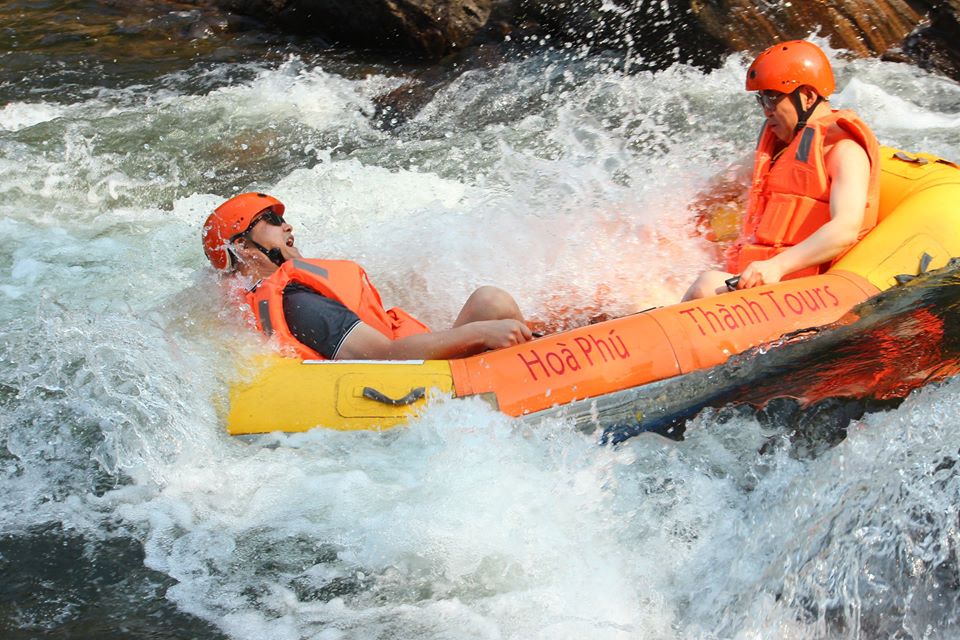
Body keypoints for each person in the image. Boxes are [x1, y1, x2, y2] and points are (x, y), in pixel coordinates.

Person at [202, 192, 532, 360]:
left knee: (490, 301)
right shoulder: (298, 302)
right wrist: (482, 335)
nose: (286, 225)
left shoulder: (288, 292)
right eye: (271, 220)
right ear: (243, 247)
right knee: (493, 309)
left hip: (413, 368)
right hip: (407, 383)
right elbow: (384, 357)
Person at [683, 40, 881, 301]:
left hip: (806, 291)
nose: (766, 111)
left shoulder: (845, 152)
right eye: (761, 100)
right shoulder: (779, 150)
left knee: (706, 285)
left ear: (808, 96)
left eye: (772, 98)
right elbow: (713, 191)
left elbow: (845, 228)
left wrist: (777, 266)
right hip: (758, 278)